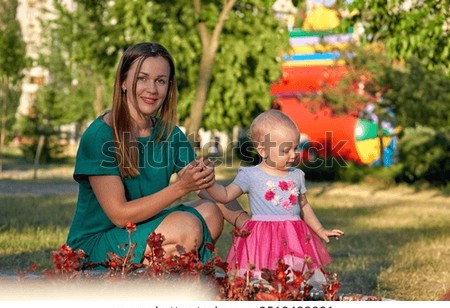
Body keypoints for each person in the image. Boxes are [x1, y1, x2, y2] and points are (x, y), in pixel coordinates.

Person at [66, 42, 249, 268]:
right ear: (123, 82)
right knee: (187, 227)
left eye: (160, 81)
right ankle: (141, 283)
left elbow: (210, 191)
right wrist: (181, 187)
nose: (152, 89)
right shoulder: (100, 136)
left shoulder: (170, 134)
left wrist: (247, 223)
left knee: (210, 212)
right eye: (142, 78)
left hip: (140, 231)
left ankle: (150, 277)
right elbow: (120, 215)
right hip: (96, 244)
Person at [206, 109, 344, 281]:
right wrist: (209, 183)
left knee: (295, 278)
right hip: (261, 239)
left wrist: (320, 230)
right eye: (286, 151)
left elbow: (304, 205)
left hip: (294, 237)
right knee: (261, 278)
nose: (293, 155)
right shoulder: (251, 175)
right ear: (263, 151)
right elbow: (226, 195)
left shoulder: (297, 175)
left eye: (295, 148)